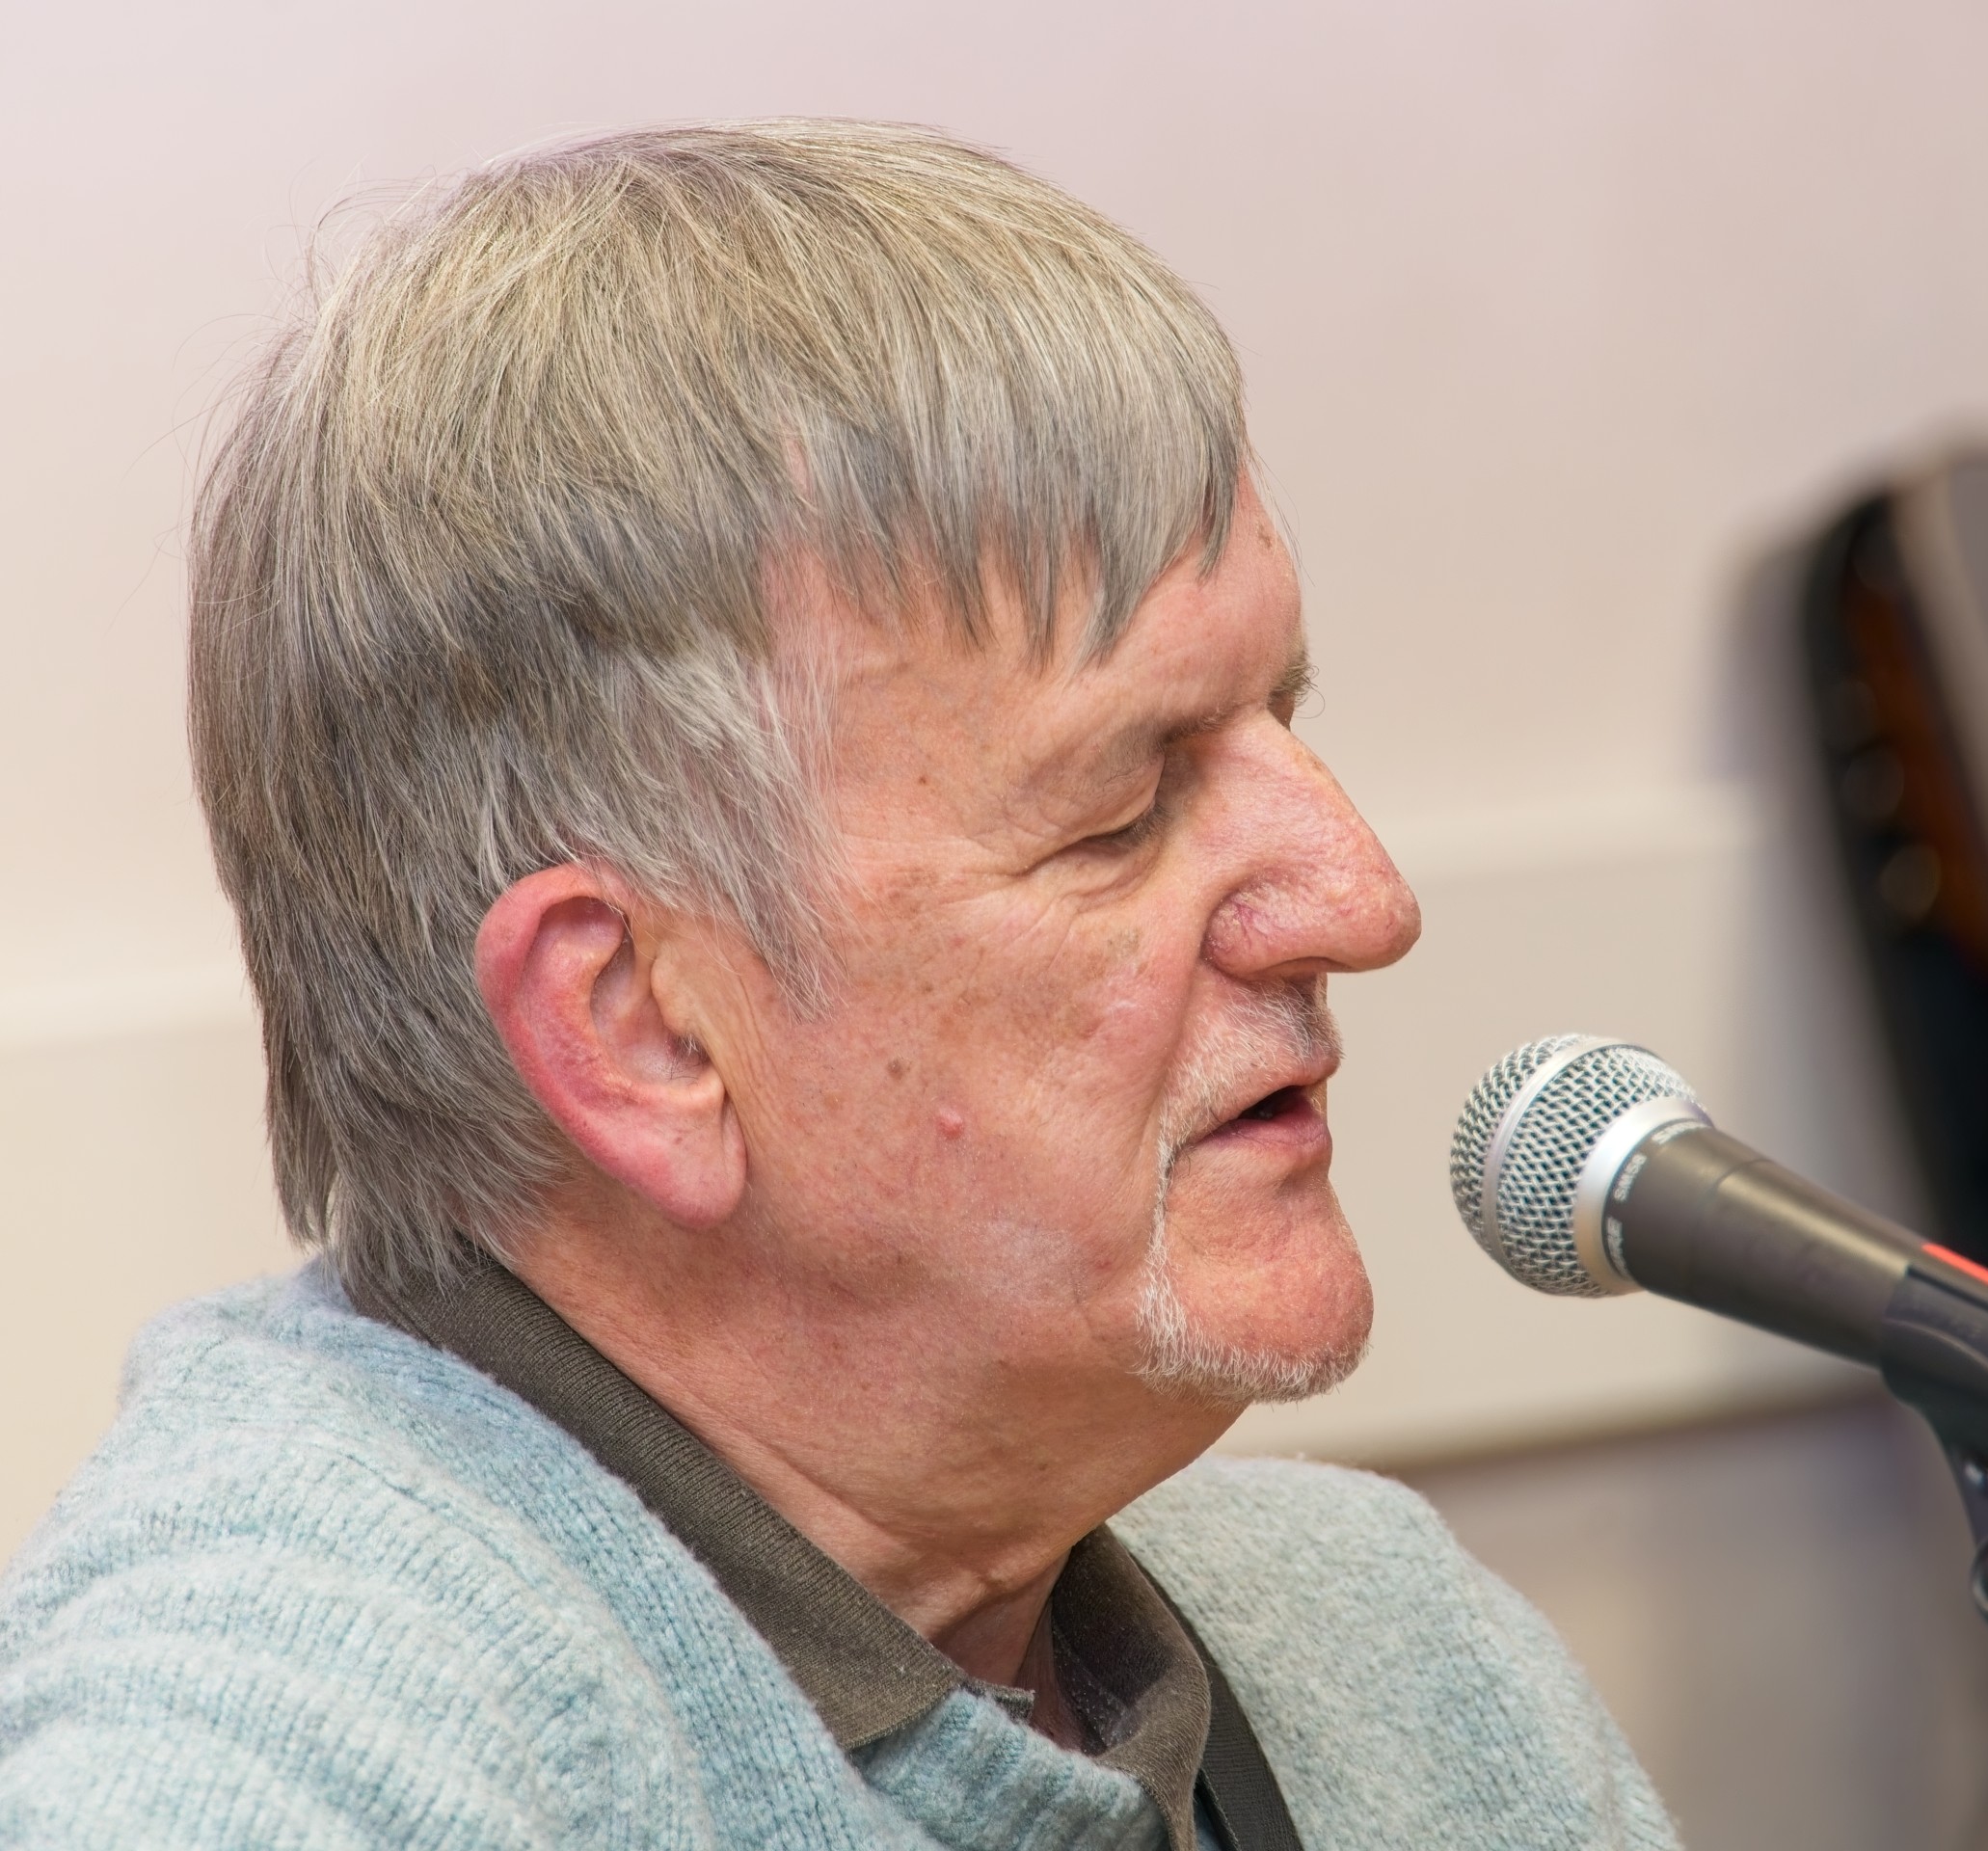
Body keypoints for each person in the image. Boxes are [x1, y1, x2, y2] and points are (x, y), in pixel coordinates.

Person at [0, 121, 1676, 1849]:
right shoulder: (277, 1747)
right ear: (645, 1032)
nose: (1360, 901)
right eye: (1122, 808)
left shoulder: (1386, 1656)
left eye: (1284, 722)